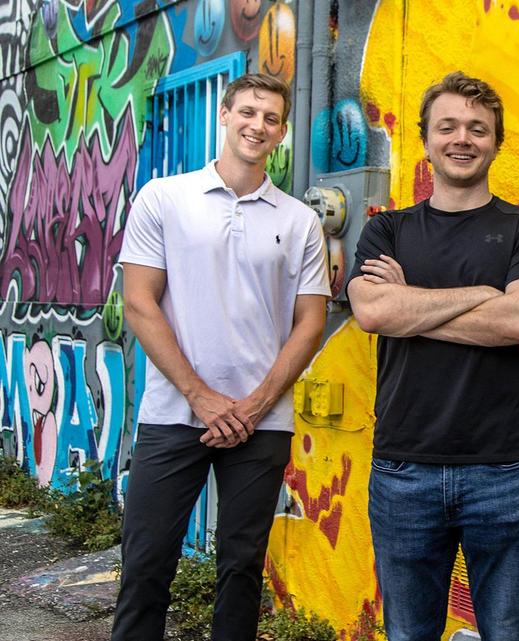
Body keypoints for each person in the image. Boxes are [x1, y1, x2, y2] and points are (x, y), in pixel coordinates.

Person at [114, 73, 330, 641]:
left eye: (272, 119)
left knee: (241, 570)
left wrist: (255, 405)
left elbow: (310, 323)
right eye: (249, 112)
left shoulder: (299, 220)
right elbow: (139, 303)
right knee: (146, 565)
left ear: (282, 133)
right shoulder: (164, 197)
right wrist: (200, 396)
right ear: (225, 114)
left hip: (262, 423)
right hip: (172, 414)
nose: (258, 125)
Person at [347, 71, 519, 641]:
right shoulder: (386, 231)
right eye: (448, 127)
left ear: (497, 141)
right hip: (404, 469)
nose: (462, 139)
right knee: (409, 632)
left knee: (508, 630)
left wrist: (409, 302)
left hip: (505, 470)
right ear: (426, 139)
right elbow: (372, 314)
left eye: (477, 128)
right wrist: (483, 297)